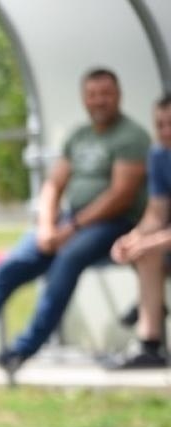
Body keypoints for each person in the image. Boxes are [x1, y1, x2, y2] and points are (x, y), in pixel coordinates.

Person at [0, 68, 150, 377]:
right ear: (84, 98)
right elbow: (53, 185)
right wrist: (48, 226)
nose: (99, 101)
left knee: (67, 259)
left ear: (118, 96)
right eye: (93, 94)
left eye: (106, 94)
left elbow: (120, 196)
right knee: (9, 266)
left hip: (114, 224)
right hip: (68, 220)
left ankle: (21, 349)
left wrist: (69, 231)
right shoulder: (80, 135)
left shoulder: (132, 137)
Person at [108, 92, 171, 370]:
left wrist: (153, 242)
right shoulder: (159, 154)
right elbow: (157, 212)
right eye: (160, 125)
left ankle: (146, 307)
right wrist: (133, 239)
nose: (166, 132)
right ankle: (149, 344)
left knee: (150, 248)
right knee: (145, 253)